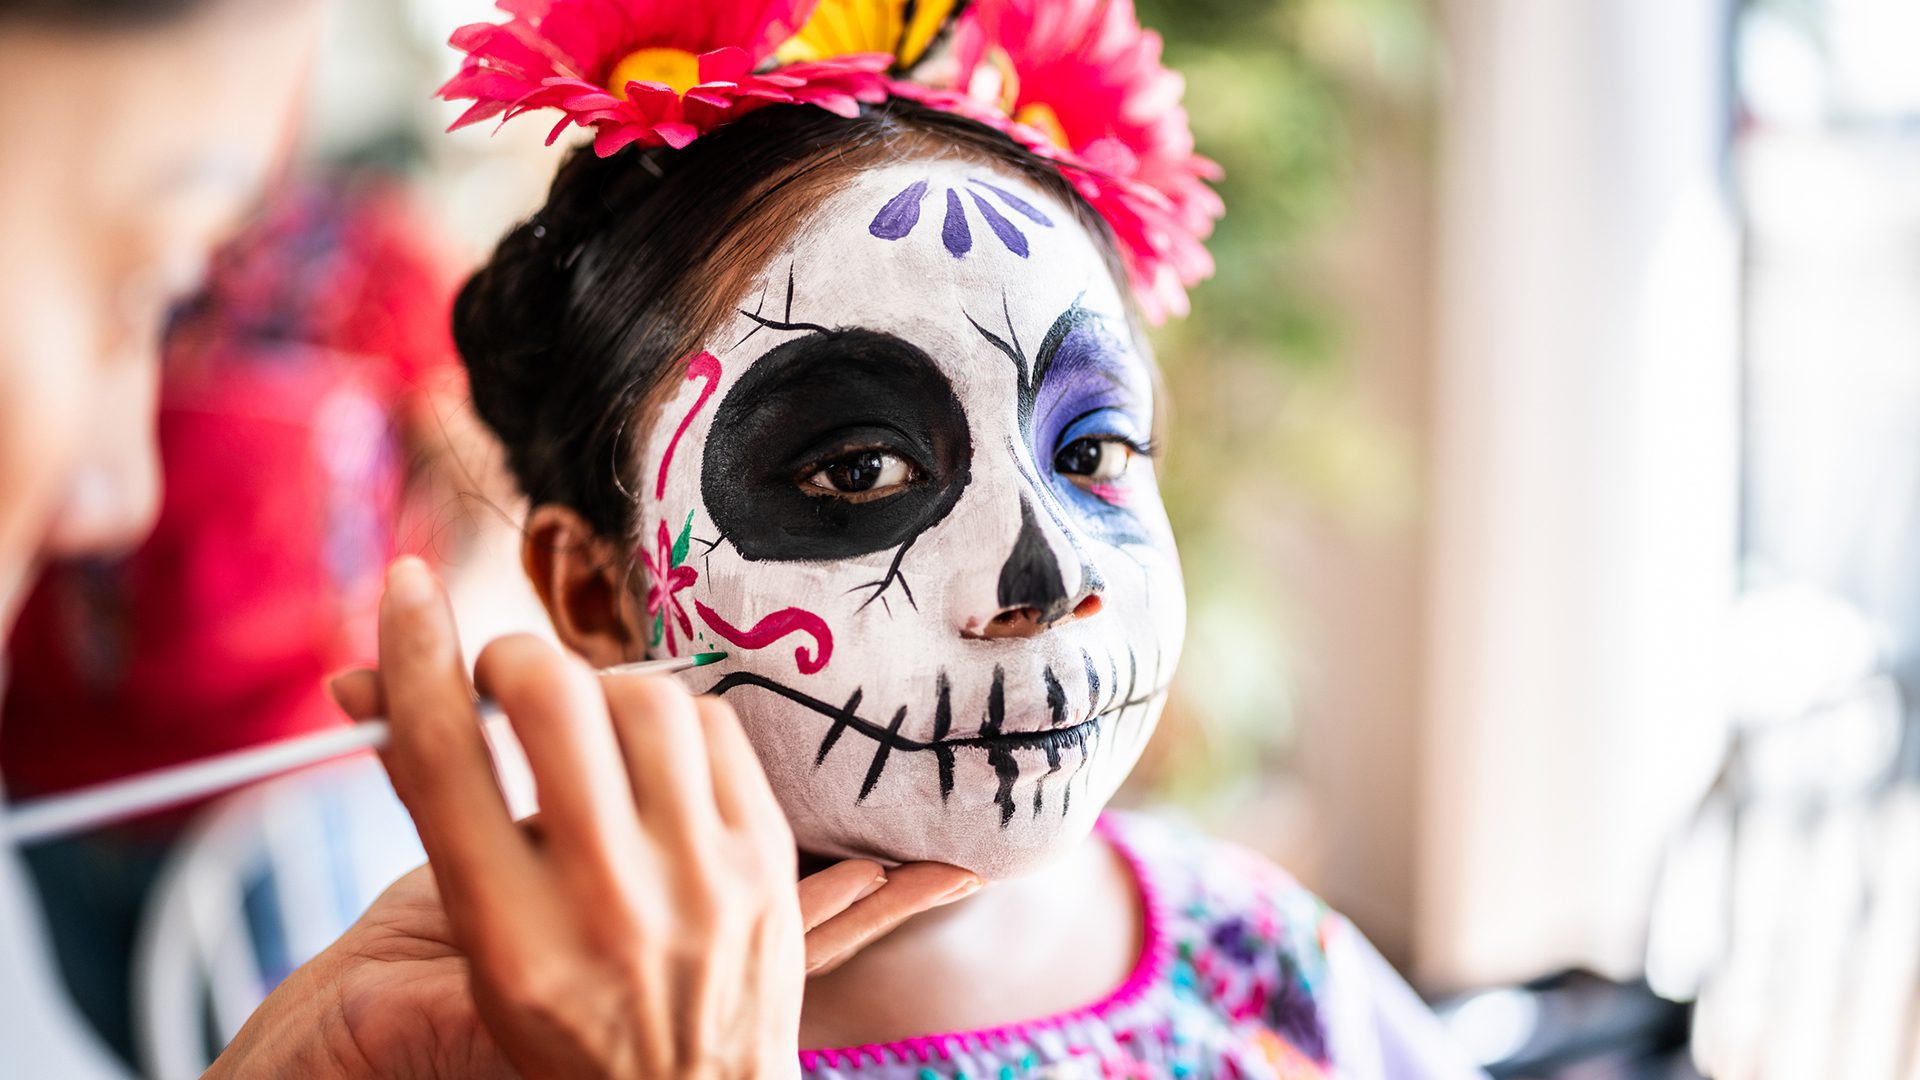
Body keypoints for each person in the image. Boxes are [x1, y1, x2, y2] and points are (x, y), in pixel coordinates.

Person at [383, 0, 1489, 1075]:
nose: (1048, 580)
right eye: (860, 471)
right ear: (596, 596)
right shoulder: (537, 1053)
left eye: (1093, 449)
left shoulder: (1257, 950)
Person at [0, 1, 967, 1076]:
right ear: (588, 589)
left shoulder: (369, 270)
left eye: (1091, 454)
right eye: (147, 289)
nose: (117, 497)